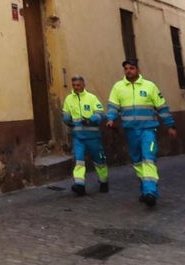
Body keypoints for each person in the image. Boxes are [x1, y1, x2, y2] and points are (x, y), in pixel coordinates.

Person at [105, 60, 177, 207]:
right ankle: (145, 188)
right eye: (126, 69)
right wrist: (111, 119)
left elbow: (162, 107)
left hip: (148, 129)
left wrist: (170, 125)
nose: (128, 71)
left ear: (138, 69)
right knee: (137, 161)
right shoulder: (118, 87)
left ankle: (150, 192)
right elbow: (113, 106)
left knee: (148, 158)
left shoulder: (150, 86)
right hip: (130, 131)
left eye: (131, 68)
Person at [61, 75, 108, 196]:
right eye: (74, 85)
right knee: (79, 161)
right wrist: (66, 119)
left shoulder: (91, 98)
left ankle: (103, 181)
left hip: (93, 136)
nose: (76, 87)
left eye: (78, 85)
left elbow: (100, 113)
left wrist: (90, 119)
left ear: (83, 85)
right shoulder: (69, 99)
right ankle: (79, 185)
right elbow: (66, 113)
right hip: (78, 136)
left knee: (99, 161)